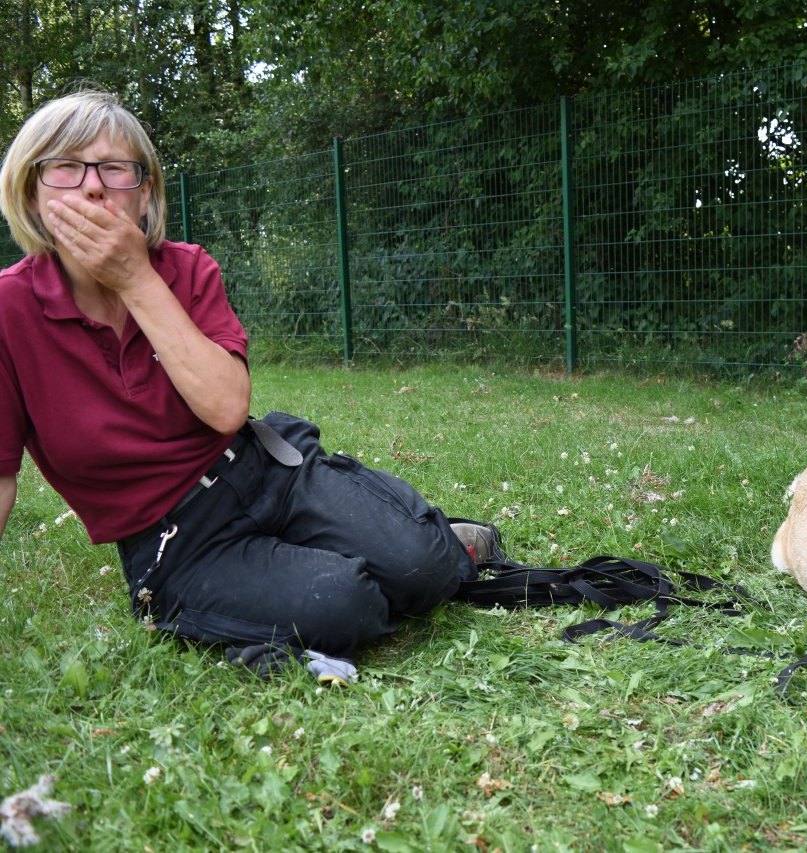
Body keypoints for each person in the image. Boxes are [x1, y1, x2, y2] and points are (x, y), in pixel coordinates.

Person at [0, 89, 496, 684]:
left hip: (263, 469)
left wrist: (135, 279)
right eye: (66, 167)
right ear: (32, 191)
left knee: (425, 570)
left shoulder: (186, 270)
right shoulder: (10, 310)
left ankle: (422, 548)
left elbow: (226, 408)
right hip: (176, 540)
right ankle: (329, 571)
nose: (93, 187)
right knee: (343, 604)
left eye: (113, 167)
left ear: (146, 192)